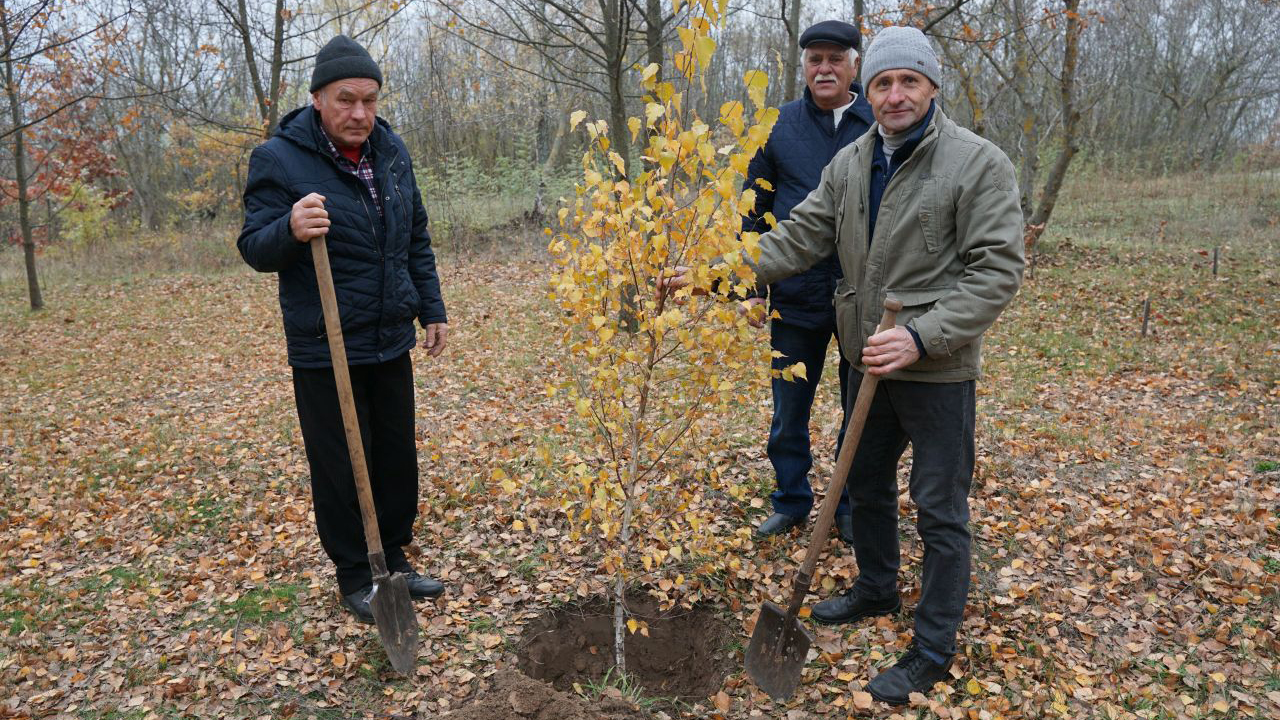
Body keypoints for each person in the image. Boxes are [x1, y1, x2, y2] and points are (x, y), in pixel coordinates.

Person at [662, 26, 1024, 704]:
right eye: (885, 83)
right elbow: (798, 236)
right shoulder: (853, 163)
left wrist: (921, 337)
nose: (894, 95)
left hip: (935, 368)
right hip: (866, 360)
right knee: (866, 482)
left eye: (908, 81)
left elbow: (997, 271)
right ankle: (876, 589)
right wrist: (717, 275)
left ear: (931, 86)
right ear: (870, 89)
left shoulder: (978, 164)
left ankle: (933, 647)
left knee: (939, 506)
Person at [237, 35, 448, 623]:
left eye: (370, 100)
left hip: (388, 335)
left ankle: (394, 560)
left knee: (394, 456)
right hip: (325, 344)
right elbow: (254, 247)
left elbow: (416, 238)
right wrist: (290, 227)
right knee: (339, 463)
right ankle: (357, 573)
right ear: (318, 99)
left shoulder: (393, 151)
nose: (359, 113)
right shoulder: (279, 159)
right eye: (346, 100)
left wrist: (431, 307)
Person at [743, 20, 874, 543]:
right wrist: (752, 286)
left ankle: (846, 505)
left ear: (854, 66)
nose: (824, 68)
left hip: (860, 297)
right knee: (788, 411)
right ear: (804, 66)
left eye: (835, 59)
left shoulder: (878, 123)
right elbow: (753, 205)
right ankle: (791, 500)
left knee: (858, 410)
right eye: (815, 59)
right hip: (794, 297)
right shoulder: (778, 125)